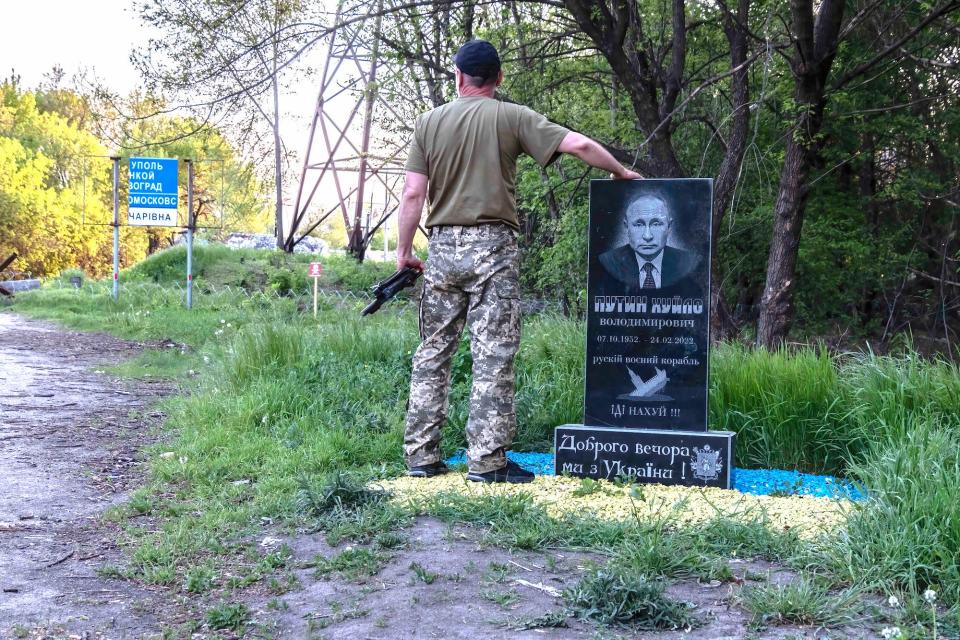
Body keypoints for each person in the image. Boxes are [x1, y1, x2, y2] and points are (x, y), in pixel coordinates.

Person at [395, 39, 642, 483]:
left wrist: (403, 252)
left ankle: (421, 457)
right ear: (498, 78)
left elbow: (413, 194)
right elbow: (580, 144)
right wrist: (620, 172)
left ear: (458, 77)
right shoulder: (512, 116)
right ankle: (487, 463)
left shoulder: (428, 123)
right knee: (493, 353)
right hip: (493, 248)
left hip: (443, 248)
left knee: (432, 351)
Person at [597, 193, 697, 293]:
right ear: (626, 227)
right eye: (638, 224)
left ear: (669, 227)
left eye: (656, 224)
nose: (647, 236)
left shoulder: (689, 263)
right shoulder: (608, 263)